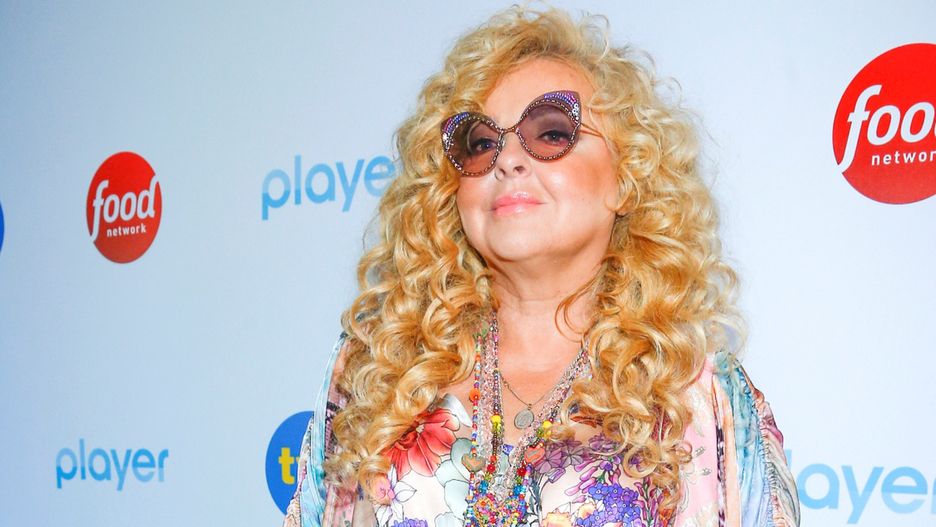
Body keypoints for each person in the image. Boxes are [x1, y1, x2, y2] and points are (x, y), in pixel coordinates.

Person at [284, 6, 799, 527]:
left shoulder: (701, 396)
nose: (508, 160)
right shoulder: (376, 370)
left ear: (627, 178)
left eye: (551, 133)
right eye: (481, 144)